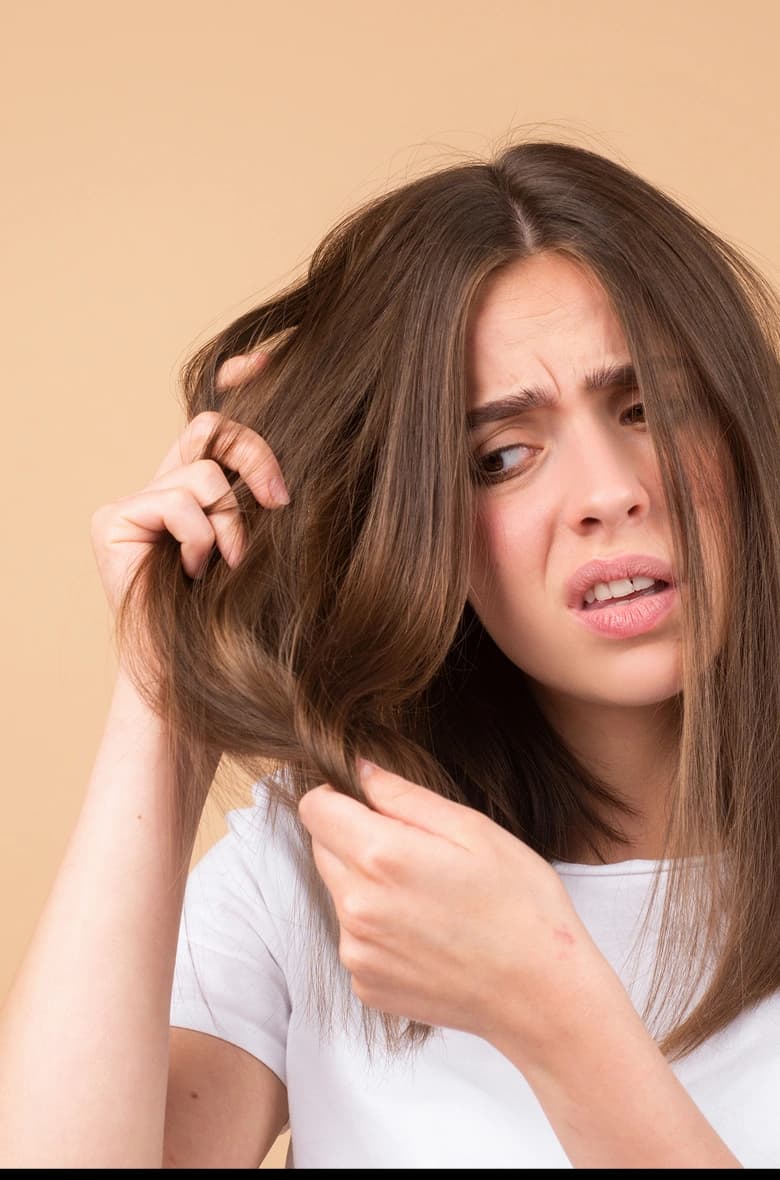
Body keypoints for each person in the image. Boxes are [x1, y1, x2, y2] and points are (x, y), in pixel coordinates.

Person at [1, 138, 778, 1169]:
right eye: (500, 456)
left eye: (649, 408)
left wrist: (549, 1006)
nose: (608, 492)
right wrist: (169, 685)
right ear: (417, 521)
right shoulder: (328, 868)